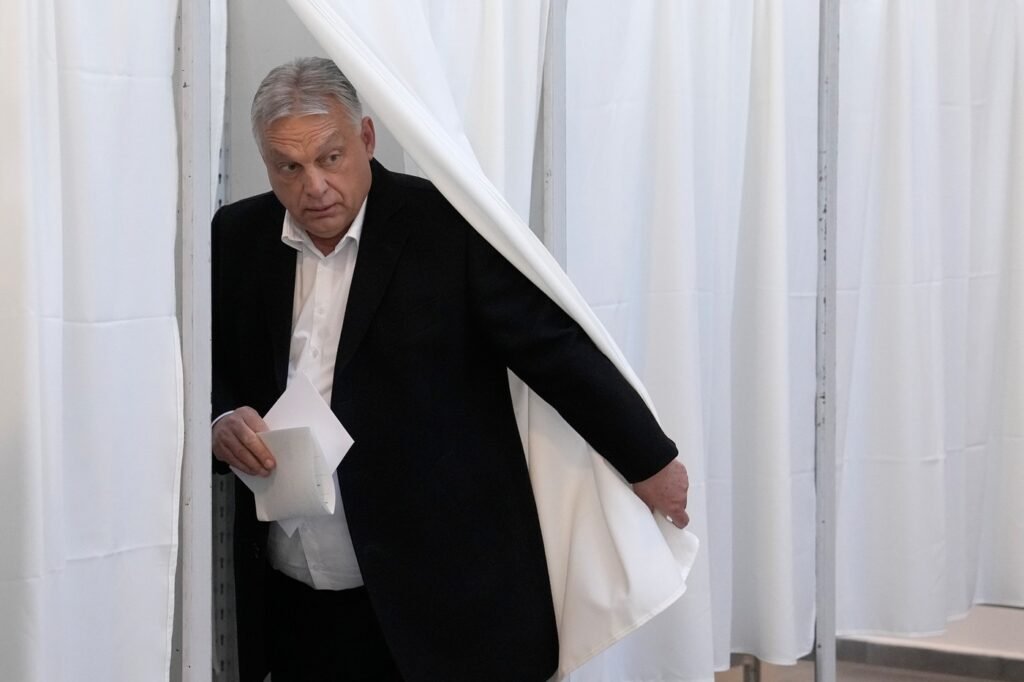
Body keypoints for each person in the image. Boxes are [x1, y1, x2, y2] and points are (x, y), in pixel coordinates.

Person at [212, 56, 689, 682]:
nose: (315, 187)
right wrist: (221, 421)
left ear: (366, 138)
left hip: (438, 590)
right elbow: (207, 367)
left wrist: (649, 460)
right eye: (289, 167)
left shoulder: (446, 225)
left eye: (330, 158)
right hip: (295, 590)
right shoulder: (237, 236)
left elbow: (551, 347)